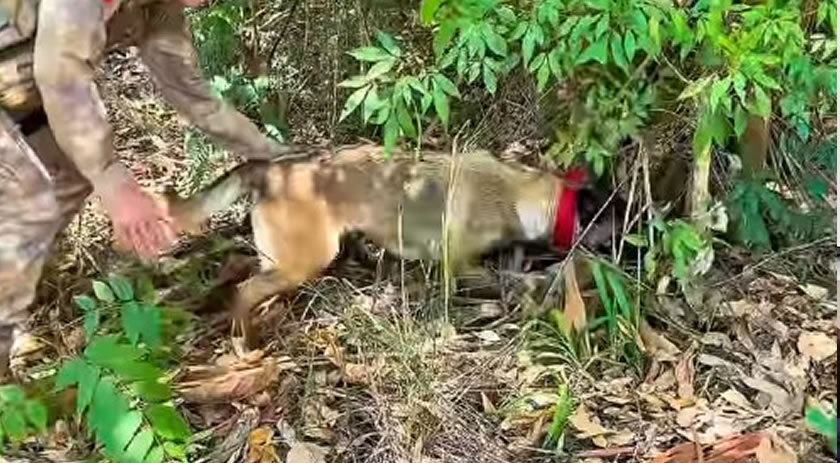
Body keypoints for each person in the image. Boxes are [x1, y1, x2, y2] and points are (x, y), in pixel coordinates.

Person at [0, 0, 296, 380]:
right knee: (30, 201)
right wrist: (112, 178)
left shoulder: (160, 8)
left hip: (25, 94)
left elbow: (195, 98)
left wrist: (274, 154)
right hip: (33, 86)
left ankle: (18, 287)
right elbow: (62, 79)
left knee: (69, 176)